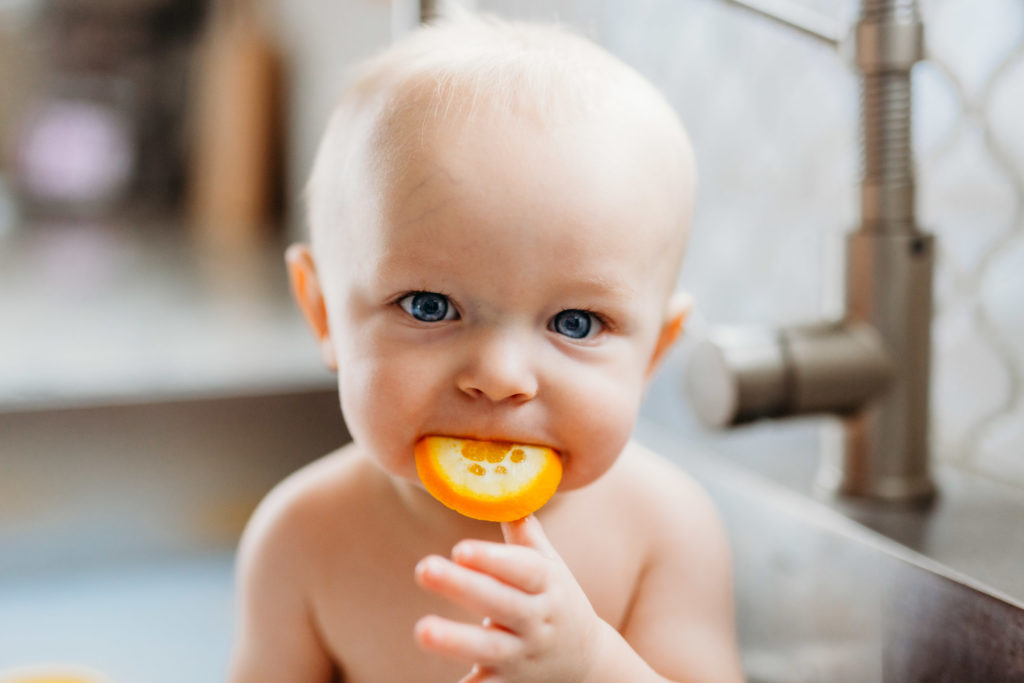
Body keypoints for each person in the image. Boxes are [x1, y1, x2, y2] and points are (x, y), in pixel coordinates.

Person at [229, 10, 743, 683]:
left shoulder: (664, 532)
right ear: (323, 310)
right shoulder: (301, 540)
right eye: (430, 306)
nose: (501, 377)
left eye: (577, 323)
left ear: (653, 354)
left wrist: (592, 664)